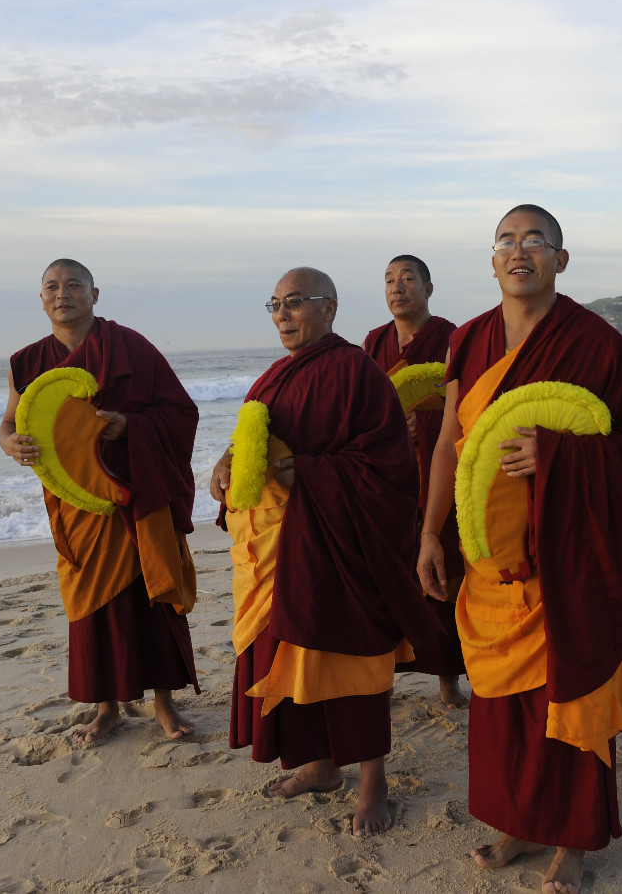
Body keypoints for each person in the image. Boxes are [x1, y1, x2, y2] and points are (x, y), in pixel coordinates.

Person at [418, 206, 622, 894]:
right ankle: (520, 820)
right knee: (501, 708)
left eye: (535, 241)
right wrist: (431, 531)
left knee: (570, 698)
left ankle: (575, 842)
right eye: (506, 241)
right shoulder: (466, 340)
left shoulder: (599, 344)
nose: (519, 250)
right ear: (491, 260)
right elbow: (448, 443)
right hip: (490, 558)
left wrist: (558, 456)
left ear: (561, 258)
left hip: (570, 556)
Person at [210, 267, 445, 837]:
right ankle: (319, 767)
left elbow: (388, 466)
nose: (283, 314)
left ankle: (373, 782)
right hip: (277, 546)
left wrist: (312, 475)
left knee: (349, 660)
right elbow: (252, 438)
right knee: (289, 660)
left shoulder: (356, 373)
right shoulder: (273, 376)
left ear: (331, 307)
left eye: (296, 302)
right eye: (275, 304)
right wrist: (224, 464)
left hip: (338, 544)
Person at [0, 259, 200, 743]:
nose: (61, 293)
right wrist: (9, 444)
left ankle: (164, 704)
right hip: (75, 499)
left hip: (135, 490)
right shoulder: (26, 361)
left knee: (151, 591)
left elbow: (179, 410)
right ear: (41, 298)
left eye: (73, 285)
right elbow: (10, 423)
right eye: (52, 287)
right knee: (92, 604)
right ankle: (106, 708)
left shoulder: (130, 346)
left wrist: (131, 425)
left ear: (94, 293)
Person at [361, 254, 468, 709]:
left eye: (407, 279)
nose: (397, 287)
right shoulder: (373, 341)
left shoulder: (453, 338)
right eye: (389, 280)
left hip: (438, 476)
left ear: (428, 288)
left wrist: (423, 423)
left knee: (443, 575)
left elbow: (468, 405)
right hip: (388, 482)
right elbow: (361, 406)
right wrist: (389, 431)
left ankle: (447, 679)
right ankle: (383, 675)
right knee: (387, 580)